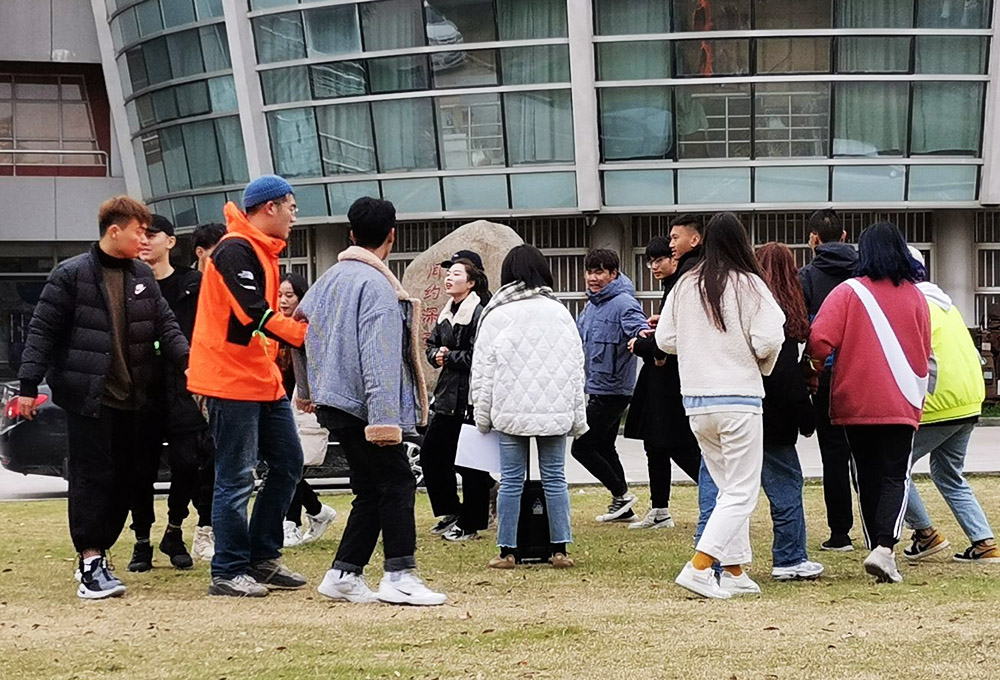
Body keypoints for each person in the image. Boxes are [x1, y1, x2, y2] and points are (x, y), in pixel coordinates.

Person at [17, 196, 190, 599]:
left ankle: (101, 553)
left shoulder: (141, 274)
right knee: (91, 478)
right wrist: (28, 385)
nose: (144, 239)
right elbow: (42, 331)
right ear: (115, 231)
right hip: (88, 398)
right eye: (139, 231)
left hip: (135, 399)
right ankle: (90, 561)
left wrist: (191, 366)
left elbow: (166, 325)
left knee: (127, 480)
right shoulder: (71, 274)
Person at [295, 196, 446, 606]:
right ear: (392, 236)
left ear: (350, 233)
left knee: (371, 488)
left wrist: (307, 390)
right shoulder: (377, 285)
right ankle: (399, 574)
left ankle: (344, 573)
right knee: (397, 481)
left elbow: (297, 332)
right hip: (365, 406)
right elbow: (378, 357)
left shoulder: (328, 279)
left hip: (334, 401)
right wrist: (383, 421)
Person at [188, 175, 310, 598]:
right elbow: (251, 312)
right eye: (291, 207)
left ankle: (262, 557)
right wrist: (301, 334)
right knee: (236, 477)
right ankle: (228, 569)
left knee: (289, 463)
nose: (295, 216)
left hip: (260, 378)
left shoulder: (261, 250)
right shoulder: (234, 248)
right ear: (269, 207)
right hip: (229, 380)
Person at [656, 212, 785, 599]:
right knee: (741, 491)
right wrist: (759, 362)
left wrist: (697, 347)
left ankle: (733, 570)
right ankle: (699, 567)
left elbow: (665, 339)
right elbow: (769, 339)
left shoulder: (685, 284)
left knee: (728, 488)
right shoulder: (750, 283)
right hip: (739, 398)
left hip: (697, 401)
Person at [805, 222, 931, 584]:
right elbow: (925, 348)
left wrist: (814, 371)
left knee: (866, 473)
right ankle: (884, 548)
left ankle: (876, 543)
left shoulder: (848, 292)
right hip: (901, 397)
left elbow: (819, 340)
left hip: (854, 399)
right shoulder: (916, 296)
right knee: (895, 475)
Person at [471, 244, 588, 569]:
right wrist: (578, 415)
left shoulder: (497, 312)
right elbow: (576, 368)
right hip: (555, 411)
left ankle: (507, 551)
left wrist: (482, 415)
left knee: (510, 480)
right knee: (555, 478)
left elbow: (483, 371)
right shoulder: (560, 312)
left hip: (510, 411)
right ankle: (559, 549)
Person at [127, 214, 212, 573]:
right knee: (139, 469)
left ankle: (174, 531)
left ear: (171, 242)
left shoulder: (193, 284)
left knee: (187, 463)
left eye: (153, 234)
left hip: (185, 387)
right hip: (140, 390)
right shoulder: (128, 283)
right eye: (140, 234)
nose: (145, 240)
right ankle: (141, 540)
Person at [902, 248, 999, 564]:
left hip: (937, 402)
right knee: (948, 473)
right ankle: (984, 542)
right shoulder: (945, 304)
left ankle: (925, 533)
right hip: (969, 399)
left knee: (891, 466)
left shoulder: (911, 304)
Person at [624, 223, 704, 529]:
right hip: (660, 381)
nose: (655, 265)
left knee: (676, 445)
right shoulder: (673, 285)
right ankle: (659, 509)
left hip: (673, 381)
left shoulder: (686, 279)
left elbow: (674, 341)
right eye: (651, 261)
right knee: (654, 444)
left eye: (660, 259)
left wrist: (643, 345)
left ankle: (720, 496)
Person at [422, 253, 495, 542]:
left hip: (471, 397)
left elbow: (481, 355)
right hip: (446, 396)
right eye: (448, 273)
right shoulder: (446, 311)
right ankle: (451, 511)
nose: (448, 278)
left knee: (470, 462)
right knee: (432, 455)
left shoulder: (480, 312)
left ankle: (471, 523)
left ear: (472, 281)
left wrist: (449, 356)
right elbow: (431, 344)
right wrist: (436, 355)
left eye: (455, 273)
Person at [572, 249, 649, 523]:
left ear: (614, 274)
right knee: (604, 446)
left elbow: (640, 332)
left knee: (581, 448)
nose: (593, 278)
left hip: (614, 390)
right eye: (589, 272)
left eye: (600, 272)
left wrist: (645, 339)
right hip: (597, 387)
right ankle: (623, 507)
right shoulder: (592, 305)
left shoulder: (624, 303)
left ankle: (622, 494)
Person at [799, 209, 858, 552]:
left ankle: (840, 533)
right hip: (864, 371)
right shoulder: (865, 272)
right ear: (845, 236)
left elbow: (803, 329)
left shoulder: (807, 276)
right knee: (867, 454)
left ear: (814, 239)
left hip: (826, 373)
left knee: (833, 455)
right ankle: (876, 530)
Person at [278, 272, 337, 548]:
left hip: (303, 403)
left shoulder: (310, 328)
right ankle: (318, 511)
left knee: (292, 466)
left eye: (289, 295)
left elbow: (318, 366)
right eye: (280, 295)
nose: (283, 301)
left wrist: (311, 394)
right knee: (286, 466)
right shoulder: (274, 326)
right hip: (277, 403)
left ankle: (291, 523)